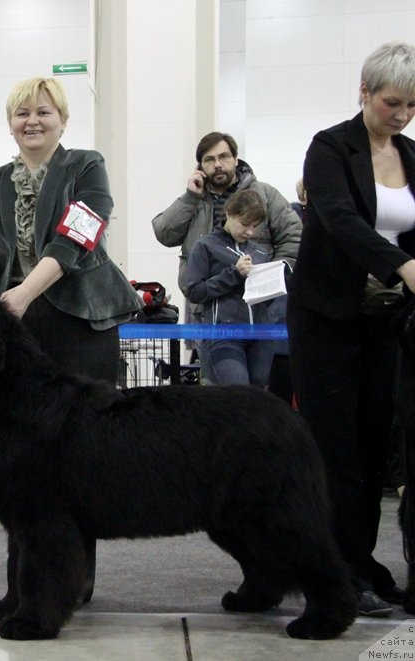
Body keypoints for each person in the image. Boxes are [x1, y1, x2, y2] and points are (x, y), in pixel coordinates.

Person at [0, 76, 143, 600]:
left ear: (63, 119)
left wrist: (22, 294)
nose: (32, 122)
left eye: (43, 112)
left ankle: (76, 577)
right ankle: (30, 580)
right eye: (22, 114)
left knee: (81, 457)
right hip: (17, 331)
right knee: (21, 464)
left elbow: (77, 237)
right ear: (10, 124)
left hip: (80, 323)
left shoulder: (85, 166)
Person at [287, 41, 415, 618]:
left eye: (412, 105)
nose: (403, 115)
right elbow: (337, 220)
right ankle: (338, 571)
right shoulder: (330, 148)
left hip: (386, 324)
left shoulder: (410, 155)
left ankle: (360, 562)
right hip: (328, 321)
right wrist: (404, 265)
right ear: (363, 92)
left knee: (372, 449)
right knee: (334, 452)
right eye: (393, 102)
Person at [151, 132, 302, 380]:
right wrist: (190, 197)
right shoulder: (194, 199)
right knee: (221, 392)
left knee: (259, 394)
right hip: (208, 313)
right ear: (200, 166)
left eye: (224, 157)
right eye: (209, 159)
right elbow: (163, 232)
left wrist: (272, 275)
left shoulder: (264, 194)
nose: (217, 164)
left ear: (236, 159)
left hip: (260, 314)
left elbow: (294, 235)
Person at [184, 189, 274, 386]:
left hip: (260, 336)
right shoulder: (205, 246)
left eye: (255, 226)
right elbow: (194, 291)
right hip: (223, 335)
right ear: (229, 214)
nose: (249, 231)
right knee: (238, 392)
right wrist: (233, 274)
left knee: (259, 396)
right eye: (244, 224)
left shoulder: (259, 252)